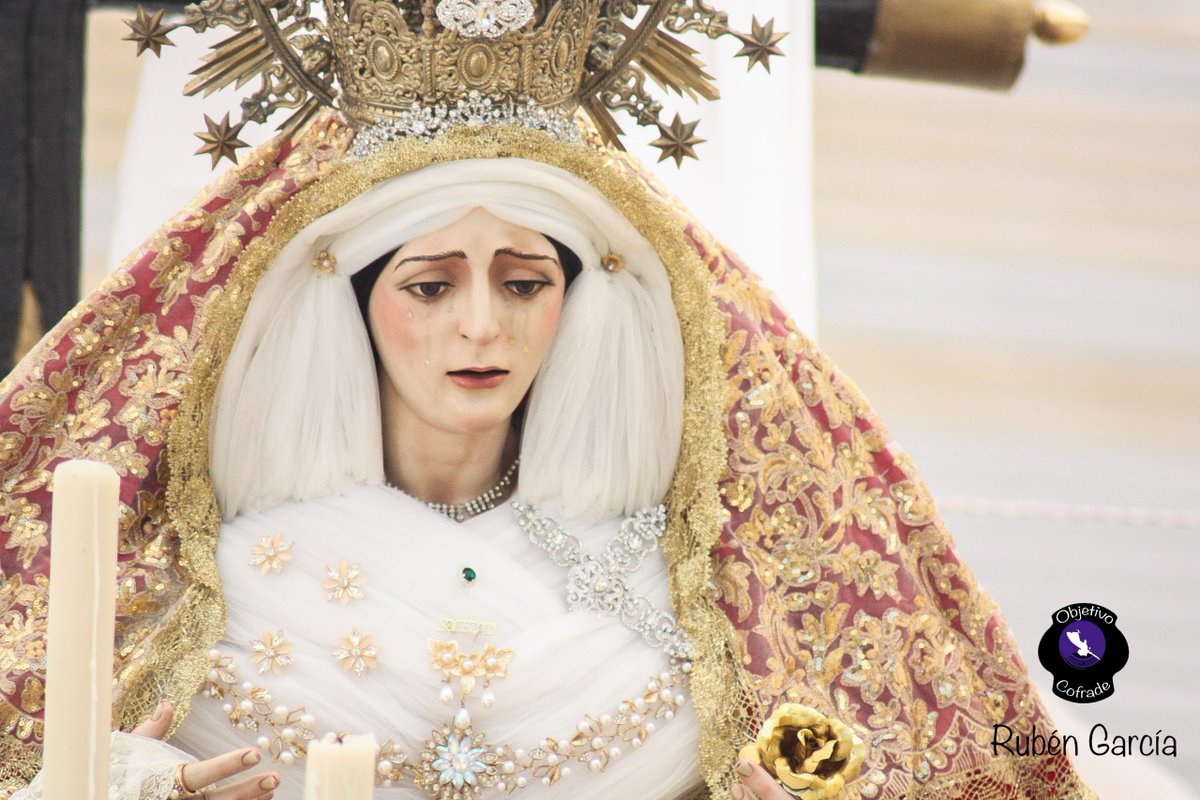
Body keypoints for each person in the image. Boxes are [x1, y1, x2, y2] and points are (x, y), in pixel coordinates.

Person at [0, 3, 1097, 799]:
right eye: (430, 284)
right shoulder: (195, 586)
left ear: (583, 295)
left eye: (525, 280)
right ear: (349, 296)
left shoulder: (693, 591)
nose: (482, 326)